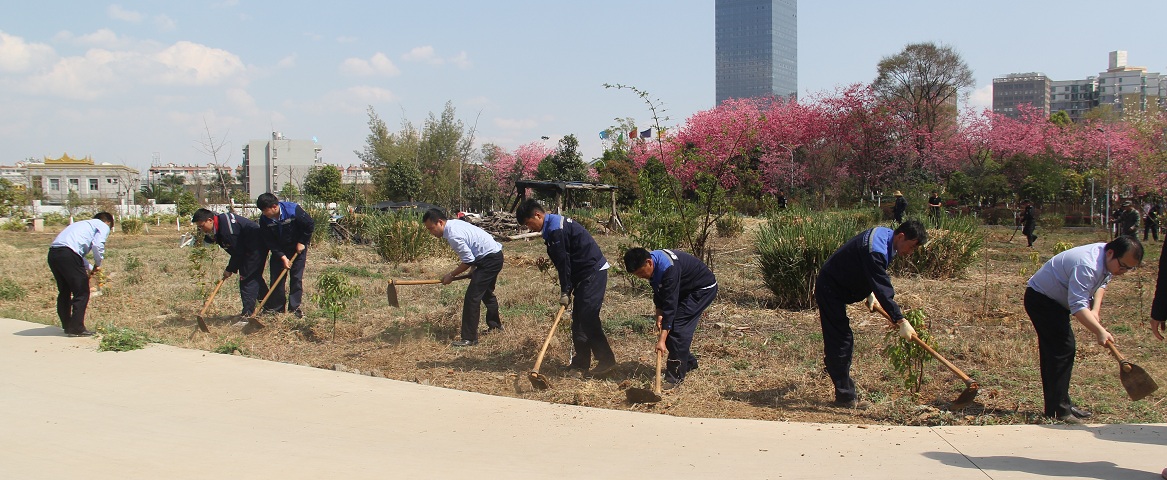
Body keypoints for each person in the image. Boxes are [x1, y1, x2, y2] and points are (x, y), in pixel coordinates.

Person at [1025, 235, 1143, 424]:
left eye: (1129, 269)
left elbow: (1101, 284)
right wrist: (1099, 331)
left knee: (1060, 350)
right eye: (1123, 266)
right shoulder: (1087, 264)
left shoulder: (1107, 258)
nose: (1123, 271)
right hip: (1041, 299)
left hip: (1055, 301)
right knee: (1062, 349)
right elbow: (1078, 307)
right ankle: (1058, 410)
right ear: (1111, 253)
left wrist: (1095, 310)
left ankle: (1061, 404)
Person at [816, 220, 926, 408]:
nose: (910, 252)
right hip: (830, 289)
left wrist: (868, 292)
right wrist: (900, 320)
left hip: (839, 284)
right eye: (911, 247)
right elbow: (883, 285)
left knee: (841, 341)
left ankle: (835, 368)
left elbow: (860, 264)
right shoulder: (877, 249)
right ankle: (845, 397)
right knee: (841, 341)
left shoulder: (885, 236)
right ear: (901, 237)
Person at [516, 199, 616, 376]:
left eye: (528, 223)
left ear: (537, 215)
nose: (529, 228)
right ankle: (580, 363)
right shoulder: (552, 226)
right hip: (582, 276)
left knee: (588, 318)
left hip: (592, 272)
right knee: (578, 321)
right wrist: (568, 289)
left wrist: (565, 290)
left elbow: (564, 264)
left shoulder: (556, 230)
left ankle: (606, 360)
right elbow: (565, 262)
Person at [623, 247, 717, 390]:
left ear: (649, 262)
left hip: (701, 289)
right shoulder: (653, 264)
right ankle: (689, 362)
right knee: (671, 327)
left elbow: (671, 306)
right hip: (684, 288)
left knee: (677, 328)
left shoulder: (668, 268)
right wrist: (659, 312)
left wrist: (662, 340)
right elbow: (660, 292)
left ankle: (675, 378)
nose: (641, 277)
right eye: (637, 275)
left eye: (641, 273)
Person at [423, 208, 504, 347]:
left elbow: (467, 260)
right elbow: (474, 250)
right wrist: (474, 269)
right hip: (493, 255)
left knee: (472, 298)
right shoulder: (454, 224)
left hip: (489, 261)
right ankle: (495, 327)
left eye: (431, 228)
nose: (431, 232)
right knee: (486, 294)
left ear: (440, 222)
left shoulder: (453, 235)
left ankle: (470, 338)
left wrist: (450, 275)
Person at [47, 212, 114, 337]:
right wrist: (98, 263)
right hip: (68, 255)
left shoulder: (81, 224)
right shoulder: (103, 225)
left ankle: (68, 326)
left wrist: (89, 268)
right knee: (82, 292)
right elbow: (97, 245)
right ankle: (77, 327)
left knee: (65, 291)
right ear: (108, 223)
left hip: (54, 254)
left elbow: (75, 253)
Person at [193, 208, 269, 318]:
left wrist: (230, 269)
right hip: (247, 248)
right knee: (253, 277)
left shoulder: (228, 230)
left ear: (210, 220)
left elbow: (238, 252)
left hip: (255, 247)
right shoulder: (220, 223)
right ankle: (270, 307)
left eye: (201, 226)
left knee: (247, 278)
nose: (201, 229)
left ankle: (247, 315)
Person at [256, 193, 315, 318]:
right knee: (276, 279)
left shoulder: (293, 210)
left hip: (297, 249)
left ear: (274, 207)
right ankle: (277, 309)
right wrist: (282, 256)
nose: (264, 213)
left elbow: (309, 224)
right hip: (279, 250)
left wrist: (302, 242)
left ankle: (295, 309)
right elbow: (269, 240)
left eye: (265, 210)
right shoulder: (264, 219)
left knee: (296, 278)